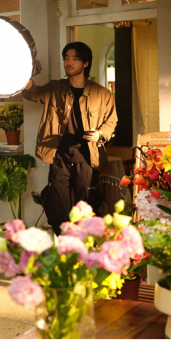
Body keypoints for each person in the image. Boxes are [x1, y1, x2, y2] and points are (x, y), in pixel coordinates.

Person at [22, 41, 117, 234]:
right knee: (57, 209)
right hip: (60, 157)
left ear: (85, 63)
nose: (69, 63)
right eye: (66, 58)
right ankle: (64, 244)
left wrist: (99, 134)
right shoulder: (55, 88)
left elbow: (111, 121)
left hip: (88, 159)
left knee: (86, 210)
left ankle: (85, 246)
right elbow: (34, 94)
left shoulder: (101, 93)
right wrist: (24, 76)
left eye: (74, 59)